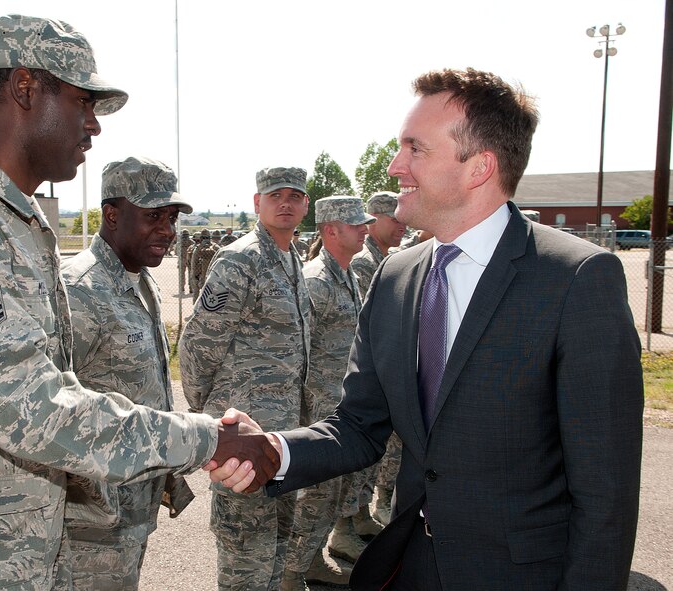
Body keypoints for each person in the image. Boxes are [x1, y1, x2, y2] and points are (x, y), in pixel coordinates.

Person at [0, 15, 277, 590]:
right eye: (83, 102)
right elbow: (29, 405)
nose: (93, 126)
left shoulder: (10, 222)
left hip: (6, 559)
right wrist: (207, 437)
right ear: (25, 90)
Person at [213, 68, 644, 591]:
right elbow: (359, 425)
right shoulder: (397, 277)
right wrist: (275, 450)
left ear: (479, 167)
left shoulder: (575, 280)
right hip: (409, 568)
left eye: (415, 149)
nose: (395, 166)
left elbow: (606, 493)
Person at [60, 157, 195, 590]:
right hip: (90, 524)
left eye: (171, 218)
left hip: (133, 507)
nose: (167, 230)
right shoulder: (79, 290)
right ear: (112, 215)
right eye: (153, 216)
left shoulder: (140, 279)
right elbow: (48, 408)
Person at [180, 166, 312, 591]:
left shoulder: (293, 258)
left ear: (306, 206)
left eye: (295, 195)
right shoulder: (241, 259)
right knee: (246, 553)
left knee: (278, 540)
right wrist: (212, 419)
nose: (286, 203)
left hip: (285, 432)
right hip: (244, 435)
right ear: (258, 203)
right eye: (276, 195)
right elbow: (199, 344)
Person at [282, 197, 373, 591]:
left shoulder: (346, 273)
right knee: (316, 496)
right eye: (356, 225)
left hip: (340, 403)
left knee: (331, 493)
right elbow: (296, 348)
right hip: (318, 408)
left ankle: (311, 560)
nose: (365, 230)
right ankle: (291, 572)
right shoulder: (317, 280)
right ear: (331, 230)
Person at [347, 191, 409, 526]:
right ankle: (353, 518)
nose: (401, 224)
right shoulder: (363, 263)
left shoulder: (387, 258)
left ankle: (362, 514)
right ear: (374, 221)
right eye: (393, 218)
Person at [190, 229, 219, 302]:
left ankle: (195, 310)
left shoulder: (198, 248)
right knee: (211, 294)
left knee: (196, 293)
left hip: (200, 276)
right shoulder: (216, 247)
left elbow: (193, 264)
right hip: (212, 275)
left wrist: (194, 276)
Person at [177, 229, 194, 293]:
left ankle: (182, 287)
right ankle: (191, 288)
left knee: (181, 274)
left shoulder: (179, 242)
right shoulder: (191, 242)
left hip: (182, 259)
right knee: (191, 274)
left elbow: (176, 252)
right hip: (190, 259)